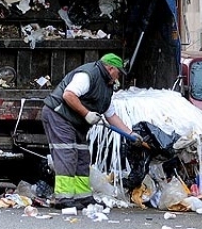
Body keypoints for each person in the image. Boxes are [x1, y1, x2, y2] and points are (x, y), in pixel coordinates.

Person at [41, 53, 143, 209]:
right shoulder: (88, 75)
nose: (119, 76)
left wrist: (130, 134)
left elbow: (112, 116)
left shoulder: (107, 87)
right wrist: (86, 113)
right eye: (118, 72)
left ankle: (83, 197)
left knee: (82, 157)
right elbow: (68, 95)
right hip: (59, 115)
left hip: (76, 123)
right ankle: (63, 198)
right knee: (67, 154)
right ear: (110, 68)